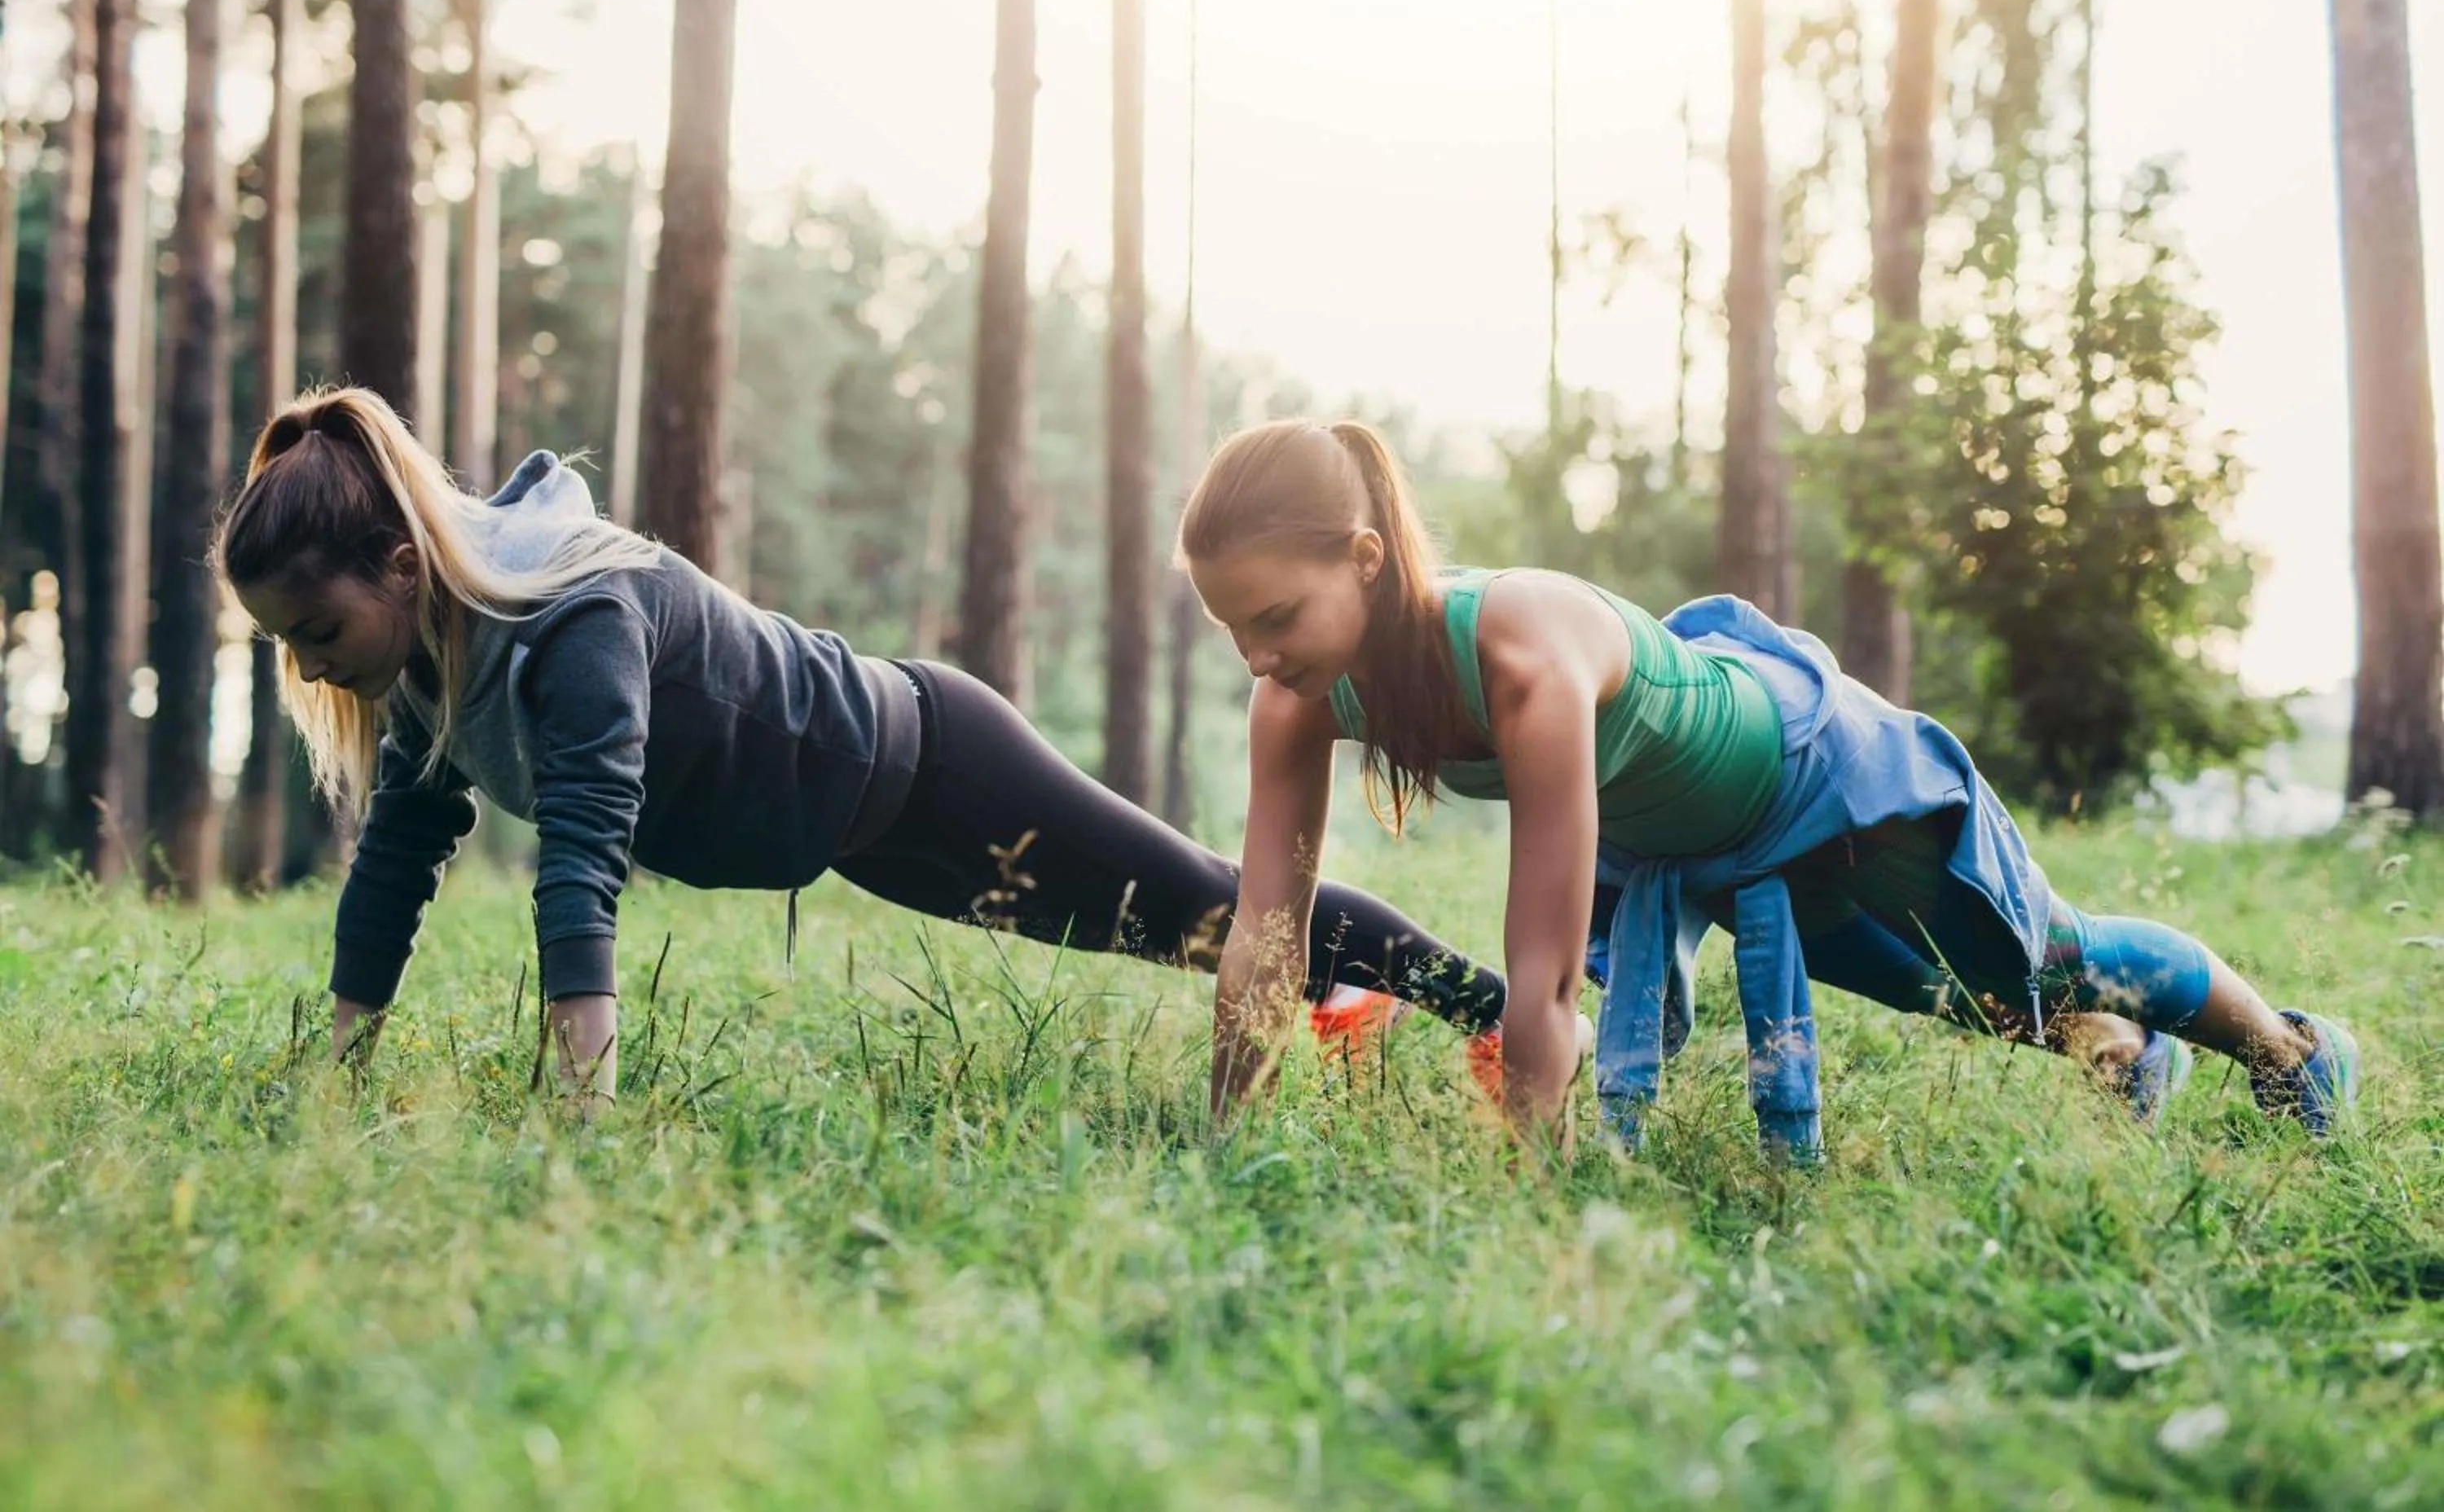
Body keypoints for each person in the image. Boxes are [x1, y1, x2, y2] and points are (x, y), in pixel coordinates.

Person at [215, 388, 1514, 1098]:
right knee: (1176, 937)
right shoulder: (432, 676)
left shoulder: (574, 614)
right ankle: (1349, 1000)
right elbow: (393, 864)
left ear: (402, 566)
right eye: (286, 647)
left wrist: (581, 1106)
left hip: (936, 757)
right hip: (869, 839)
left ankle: (1497, 1011)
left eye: (319, 630)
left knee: (1212, 911)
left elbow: (582, 861)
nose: (313, 667)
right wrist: (338, 1069)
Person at [1180, 417, 2359, 1157]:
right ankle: (2131, 1056)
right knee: (1948, 998)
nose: (1258, 657)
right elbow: (1265, 940)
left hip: (1814, 770)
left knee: (2041, 958)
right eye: (1234, 628)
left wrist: (1530, 1194)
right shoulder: (1296, 696)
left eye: (1277, 616)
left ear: (1367, 560)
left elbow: (1541, 976)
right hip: (1683, 839)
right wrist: (1224, 1145)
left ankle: (2293, 1051)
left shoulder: (1524, 654)